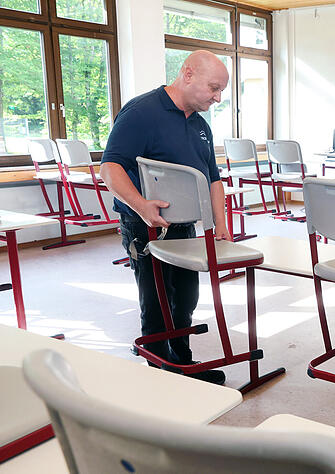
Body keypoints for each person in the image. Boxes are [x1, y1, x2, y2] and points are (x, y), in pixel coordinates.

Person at [101, 50, 232, 385]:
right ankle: (159, 373)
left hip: (184, 227)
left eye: (221, 91)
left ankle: (182, 364)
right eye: (213, 88)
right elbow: (110, 168)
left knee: (186, 296)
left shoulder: (201, 126)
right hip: (145, 225)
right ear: (187, 74)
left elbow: (214, 178)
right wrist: (142, 205)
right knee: (157, 300)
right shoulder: (142, 112)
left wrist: (220, 223)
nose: (218, 98)